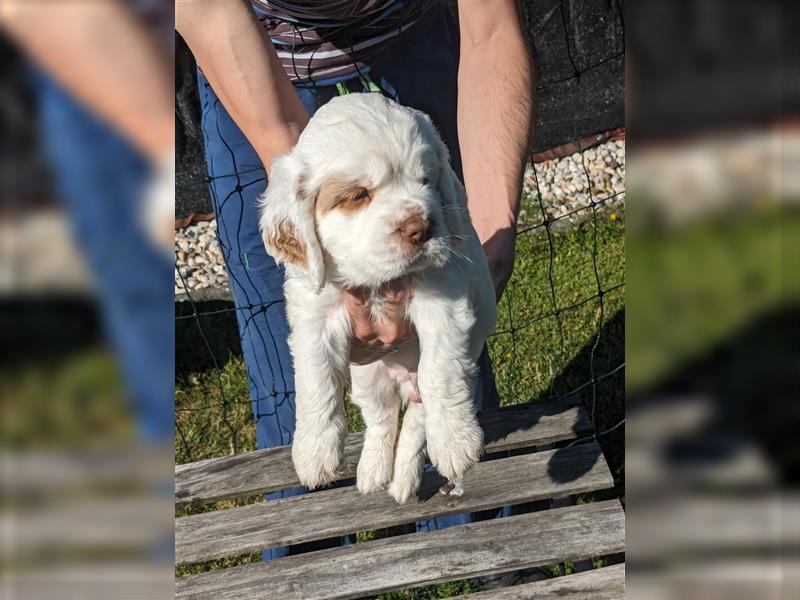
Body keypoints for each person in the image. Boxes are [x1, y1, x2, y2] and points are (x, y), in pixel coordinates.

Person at [176, 0, 532, 558]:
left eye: (422, 181)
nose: (413, 219)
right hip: (253, 57)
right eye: (361, 196)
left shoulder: (420, 156)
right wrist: (319, 237)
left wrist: (487, 230)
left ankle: (485, 558)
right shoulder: (300, 199)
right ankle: (305, 573)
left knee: (448, 371)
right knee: (289, 388)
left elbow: (489, 29)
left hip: (415, 35)